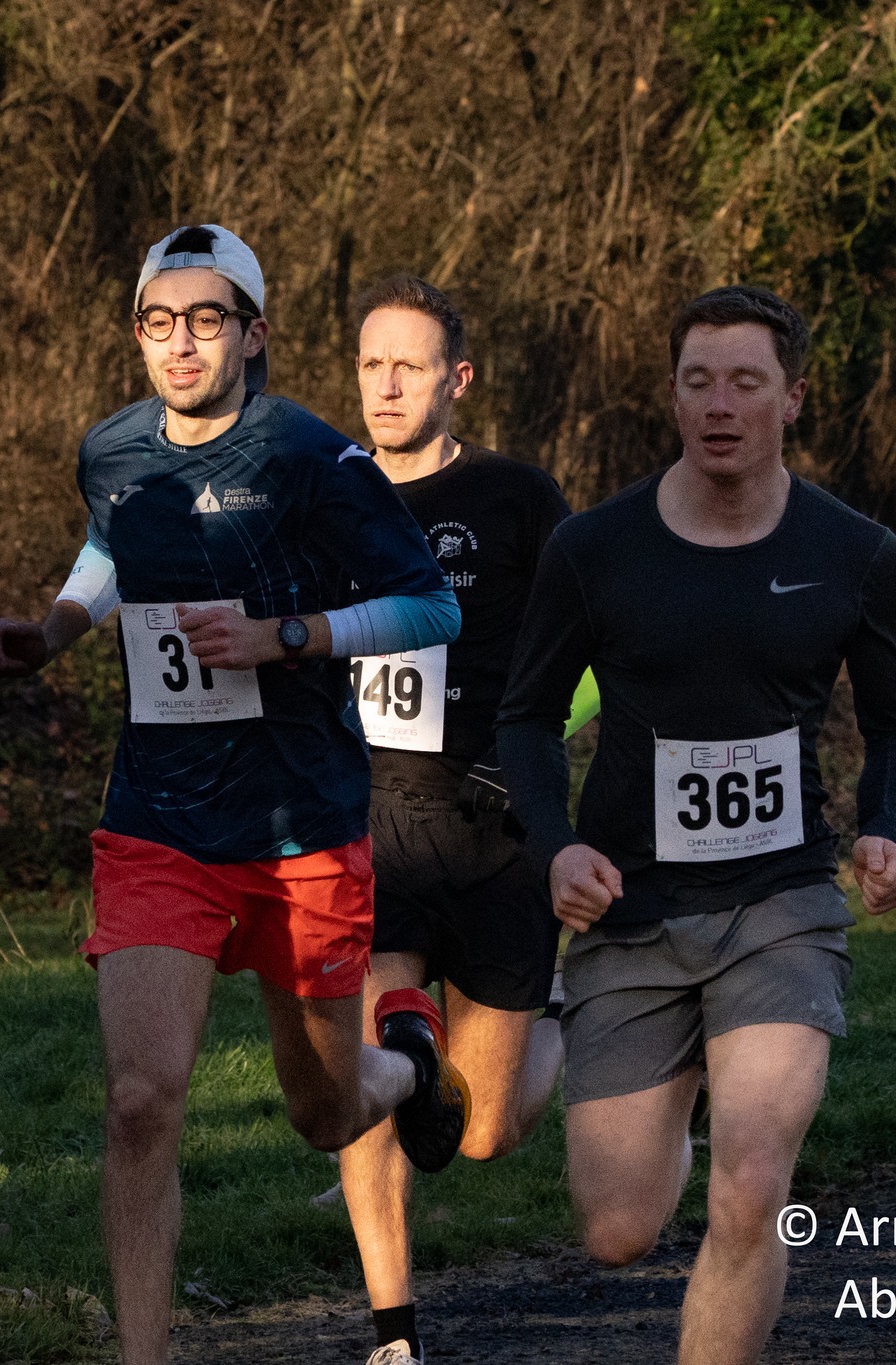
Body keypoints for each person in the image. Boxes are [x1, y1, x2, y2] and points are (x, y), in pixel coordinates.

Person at [0, 226, 467, 1365]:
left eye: (207, 320)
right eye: (159, 321)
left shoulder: (309, 456)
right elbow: (112, 549)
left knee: (322, 1113)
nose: (180, 343)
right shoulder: (109, 450)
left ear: (253, 335)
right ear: (137, 334)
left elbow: (429, 610)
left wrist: (282, 636)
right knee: (140, 1101)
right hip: (158, 820)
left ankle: (400, 1066)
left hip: (300, 824)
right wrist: (51, 632)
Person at [495, 285, 896, 1365]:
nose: (719, 404)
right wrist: (556, 844)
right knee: (616, 1230)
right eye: (698, 381)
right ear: (672, 396)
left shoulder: (856, 553)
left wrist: (885, 824)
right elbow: (525, 716)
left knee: (751, 1183)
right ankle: (666, 1089)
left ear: (791, 398)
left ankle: (729, 1125)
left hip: (779, 904)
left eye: (745, 382)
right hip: (630, 910)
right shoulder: (593, 551)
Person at [333, 276, 595, 1365]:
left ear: (456, 378)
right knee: (369, 1075)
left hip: (494, 833)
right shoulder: (319, 492)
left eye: (407, 365)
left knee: (481, 1132)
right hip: (365, 824)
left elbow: (595, 650)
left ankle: (563, 1013)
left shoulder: (518, 500)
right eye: (368, 365)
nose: (385, 386)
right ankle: (392, 1335)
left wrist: (551, 747)